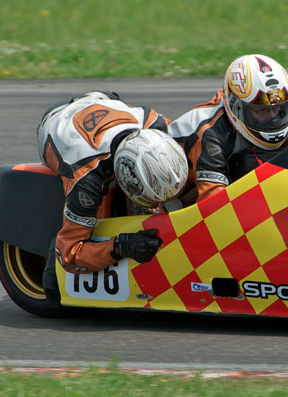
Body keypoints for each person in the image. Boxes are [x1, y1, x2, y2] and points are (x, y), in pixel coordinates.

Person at [36, 90, 188, 276]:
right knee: (105, 220)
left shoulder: (157, 123)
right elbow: (69, 256)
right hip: (57, 119)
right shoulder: (86, 179)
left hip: (102, 99)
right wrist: (122, 246)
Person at [168, 54, 288, 202]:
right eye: (261, 110)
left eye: (278, 108)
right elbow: (213, 205)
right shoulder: (212, 134)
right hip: (175, 195)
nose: (272, 118)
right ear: (236, 107)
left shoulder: (282, 123)